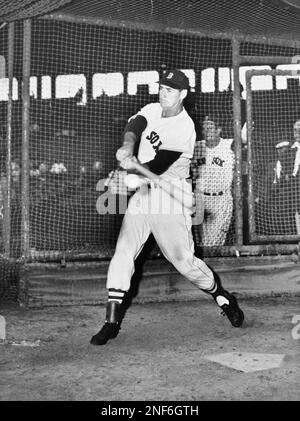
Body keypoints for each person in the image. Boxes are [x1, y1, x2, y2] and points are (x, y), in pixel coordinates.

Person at [90, 70, 244, 346]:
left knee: (183, 262)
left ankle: (221, 295)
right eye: (162, 87)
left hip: (170, 196)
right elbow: (136, 124)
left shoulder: (185, 128)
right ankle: (111, 322)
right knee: (124, 249)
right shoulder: (153, 108)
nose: (163, 93)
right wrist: (127, 147)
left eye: (170, 90)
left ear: (183, 94)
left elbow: (158, 166)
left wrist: (129, 177)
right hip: (145, 194)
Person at [191, 115, 235, 247]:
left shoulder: (229, 144)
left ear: (218, 130)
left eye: (210, 128)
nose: (206, 131)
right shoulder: (196, 147)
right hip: (200, 199)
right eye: (204, 129)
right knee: (201, 243)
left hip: (221, 200)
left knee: (214, 243)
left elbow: (245, 138)